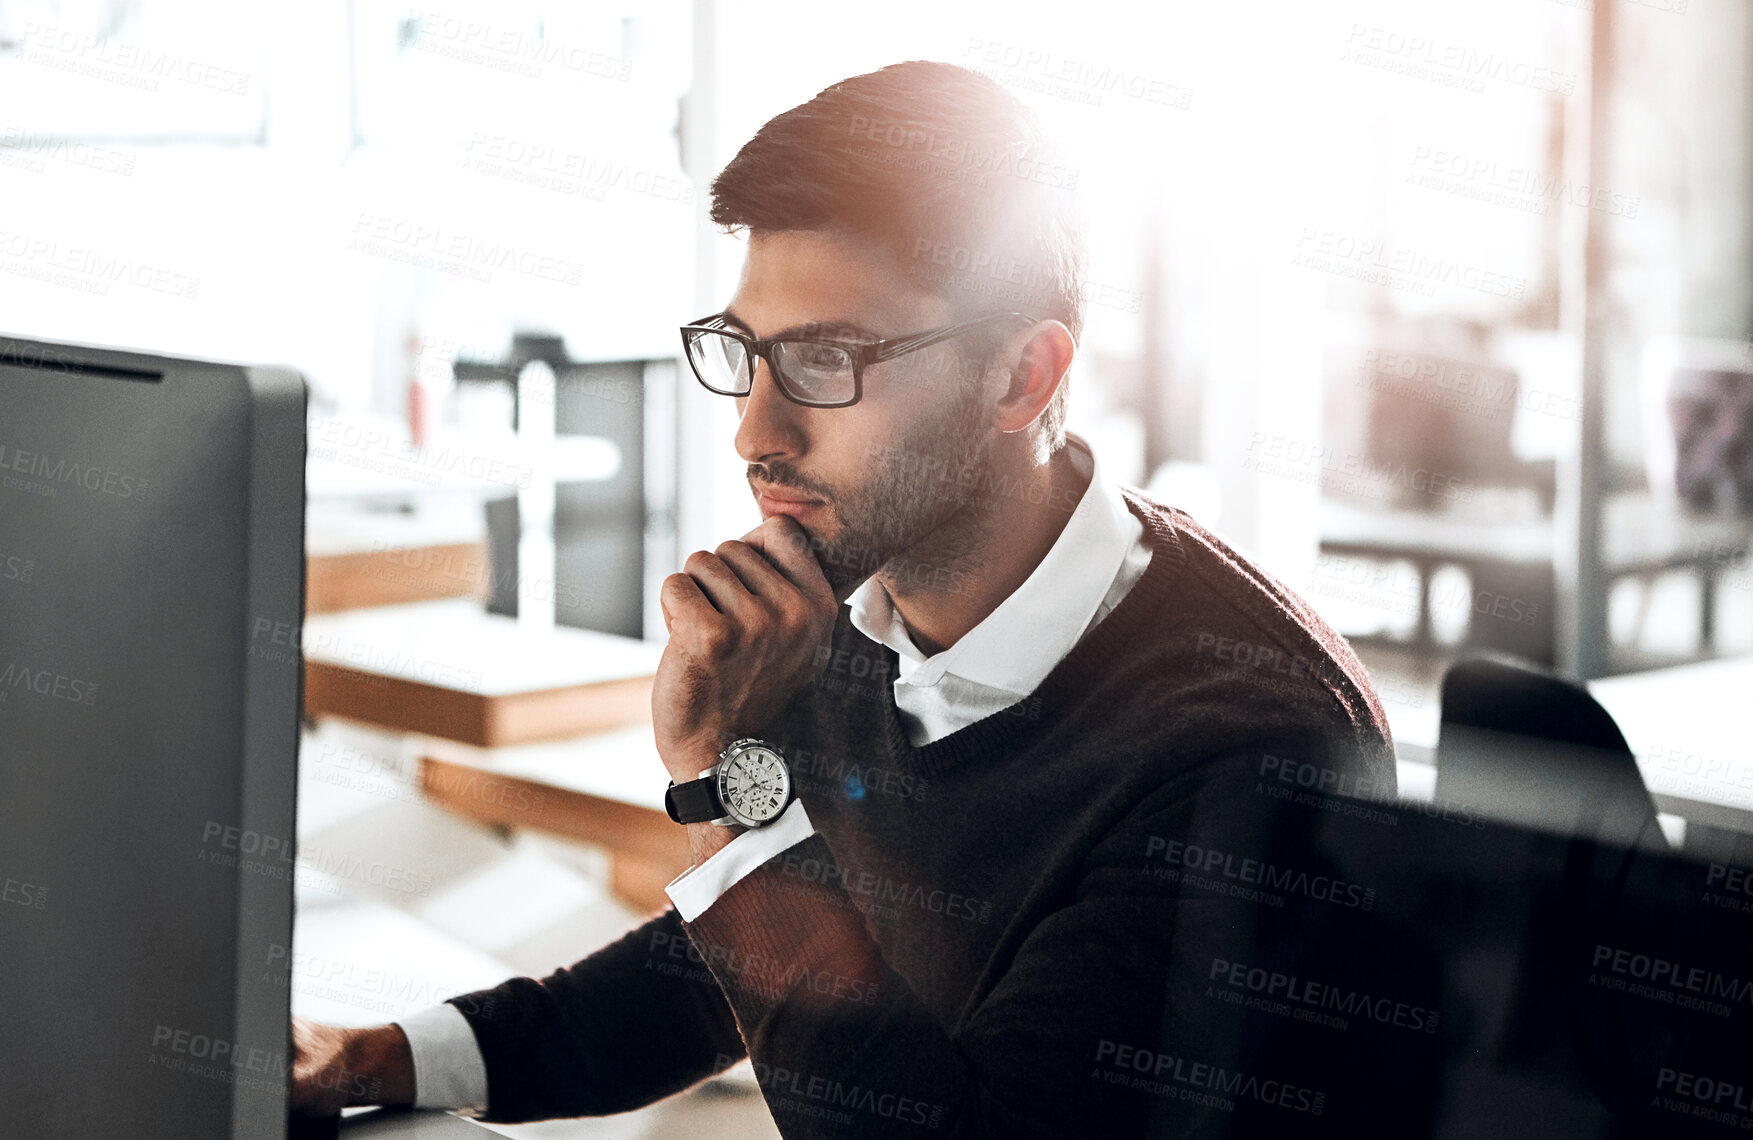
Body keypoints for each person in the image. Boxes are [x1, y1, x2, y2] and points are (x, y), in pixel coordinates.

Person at [293, 60, 1396, 1137]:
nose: (753, 434)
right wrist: (371, 1059)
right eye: (746, 355)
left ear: (1022, 377)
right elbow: (729, 966)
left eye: (825, 361)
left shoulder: (1255, 740)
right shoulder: (841, 614)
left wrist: (725, 785)